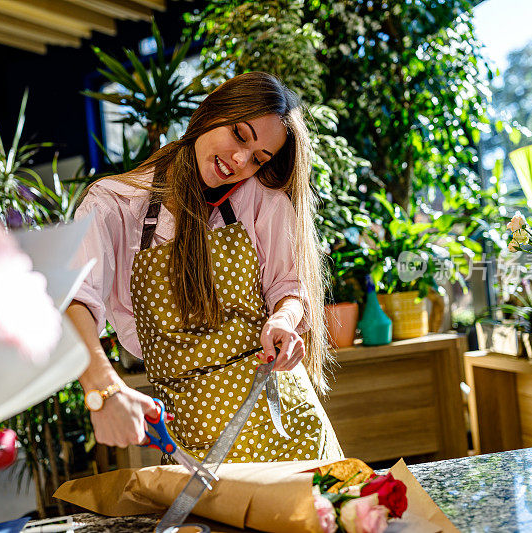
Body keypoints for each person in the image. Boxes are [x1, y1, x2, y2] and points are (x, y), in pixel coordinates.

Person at [67, 72, 343, 463]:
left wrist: (284, 318)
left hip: (291, 429)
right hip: (194, 445)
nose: (240, 160)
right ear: (211, 112)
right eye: (240, 135)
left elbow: (290, 285)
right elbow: (74, 297)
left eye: (259, 158)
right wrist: (102, 387)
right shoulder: (115, 205)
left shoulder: (260, 198)